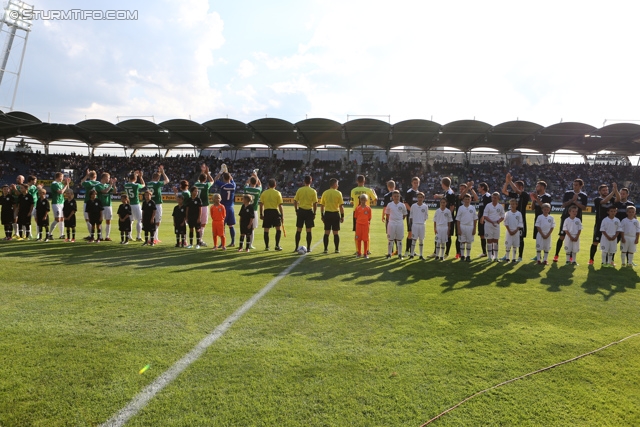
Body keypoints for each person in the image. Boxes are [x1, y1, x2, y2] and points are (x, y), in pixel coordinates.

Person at [553, 179, 587, 262]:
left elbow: (584, 208)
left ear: (581, 186)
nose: (574, 186)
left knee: (574, 236)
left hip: (577, 219)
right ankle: (556, 255)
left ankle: (571, 257)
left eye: (576, 185)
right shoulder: (568, 193)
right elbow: (563, 205)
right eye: (574, 185)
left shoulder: (583, 195)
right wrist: (572, 200)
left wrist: (576, 202)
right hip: (565, 218)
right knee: (562, 236)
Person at [502, 174, 527, 262]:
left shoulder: (524, 194)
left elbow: (516, 190)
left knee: (520, 238)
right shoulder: (515, 195)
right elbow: (504, 191)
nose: (514, 188)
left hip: (520, 219)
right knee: (509, 238)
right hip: (512, 218)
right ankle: (507, 255)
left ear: (520, 187)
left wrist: (510, 181)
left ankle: (519, 256)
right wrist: (506, 183)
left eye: (515, 186)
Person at [589, 183, 617, 265]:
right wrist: (613, 192)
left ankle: (610, 261)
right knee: (595, 242)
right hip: (599, 224)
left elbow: (618, 199)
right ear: (599, 191)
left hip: (610, 225)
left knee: (610, 243)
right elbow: (604, 201)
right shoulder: (597, 199)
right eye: (603, 190)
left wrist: (615, 191)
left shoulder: (611, 199)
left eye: (606, 190)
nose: (605, 191)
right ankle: (591, 259)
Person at [351, 174, 378, 253]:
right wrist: (374, 193)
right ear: (364, 181)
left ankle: (357, 250)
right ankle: (367, 250)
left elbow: (352, 202)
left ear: (357, 181)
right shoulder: (368, 190)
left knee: (357, 232)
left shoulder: (353, 190)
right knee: (367, 232)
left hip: (356, 212)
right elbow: (375, 199)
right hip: (366, 212)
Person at [433, 177, 457, 258]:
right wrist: (438, 196)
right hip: (444, 218)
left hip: (447, 219)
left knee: (448, 235)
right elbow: (444, 196)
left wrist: (448, 216)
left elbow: (452, 206)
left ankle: (446, 253)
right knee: (439, 235)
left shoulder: (450, 193)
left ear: (443, 184)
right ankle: (436, 252)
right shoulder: (447, 192)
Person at [319, 178, 344, 254]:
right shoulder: (338, 193)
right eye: (337, 184)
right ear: (334, 184)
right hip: (335, 214)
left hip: (327, 214)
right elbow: (341, 206)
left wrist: (322, 215)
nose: (338, 185)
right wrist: (342, 216)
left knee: (326, 232)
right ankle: (336, 249)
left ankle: (325, 249)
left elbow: (322, 206)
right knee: (335, 233)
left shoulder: (325, 193)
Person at [294, 175, 318, 252]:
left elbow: (295, 201)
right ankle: (308, 248)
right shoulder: (313, 191)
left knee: (298, 230)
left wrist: (296, 210)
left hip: (301, 211)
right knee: (309, 230)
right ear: (311, 181)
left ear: (304, 181)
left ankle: (296, 247)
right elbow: (315, 203)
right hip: (309, 211)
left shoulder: (299, 190)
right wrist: (314, 213)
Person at [146, 165, 170, 243]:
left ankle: (153, 237)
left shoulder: (149, 183)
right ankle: (154, 238)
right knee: (157, 221)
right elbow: (167, 180)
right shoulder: (157, 184)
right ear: (157, 178)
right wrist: (163, 173)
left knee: (151, 220)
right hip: (157, 204)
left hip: (150, 204)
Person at [214, 165, 237, 247]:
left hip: (223, 208)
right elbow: (232, 180)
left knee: (222, 226)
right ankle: (233, 242)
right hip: (231, 207)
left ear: (224, 179)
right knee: (231, 226)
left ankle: (222, 243)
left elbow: (215, 179)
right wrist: (228, 174)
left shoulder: (222, 186)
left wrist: (220, 172)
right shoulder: (233, 186)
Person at [530, 180, 552, 261]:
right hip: (537, 219)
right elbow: (532, 208)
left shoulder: (547, 196)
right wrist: (533, 200)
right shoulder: (537, 196)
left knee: (544, 237)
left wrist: (537, 199)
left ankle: (544, 256)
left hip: (545, 220)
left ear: (542, 187)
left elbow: (544, 207)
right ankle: (538, 256)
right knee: (538, 237)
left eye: (538, 186)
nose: (536, 187)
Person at [259, 179, 284, 251]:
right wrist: (282, 216)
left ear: (268, 185)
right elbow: (280, 206)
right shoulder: (278, 193)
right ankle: (277, 245)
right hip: (275, 212)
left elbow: (261, 205)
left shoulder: (264, 193)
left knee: (266, 229)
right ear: (275, 185)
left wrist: (261, 214)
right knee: (278, 229)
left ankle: (267, 247)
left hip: (267, 212)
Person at [194, 164, 214, 247]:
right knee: (203, 224)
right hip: (204, 206)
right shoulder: (206, 185)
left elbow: (198, 180)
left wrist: (202, 172)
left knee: (197, 223)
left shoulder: (196, 184)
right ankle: (200, 240)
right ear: (205, 179)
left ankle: (196, 239)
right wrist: (208, 173)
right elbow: (212, 181)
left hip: (196, 206)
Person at [382, 180, 403, 255]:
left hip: (390, 218)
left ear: (388, 187)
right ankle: (398, 250)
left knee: (390, 234)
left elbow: (385, 208)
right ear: (394, 186)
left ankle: (390, 251)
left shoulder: (386, 196)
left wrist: (383, 216)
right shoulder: (399, 195)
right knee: (397, 234)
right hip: (398, 218)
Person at [385, 190, 407, 259]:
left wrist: (399, 220)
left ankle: (400, 254)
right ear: (392, 197)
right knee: (390, 239)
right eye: (395, 196)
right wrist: (392, 220)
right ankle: (389, 254)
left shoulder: (402, 205)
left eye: (397, 196)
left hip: (399, 223)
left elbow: (404, 215)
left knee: (399, 239)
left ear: (399, 196)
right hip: (391, 223)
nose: (396, 197)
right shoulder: (389, 204)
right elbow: (387, 214)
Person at [483, 192, 505, 262]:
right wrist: (491, 221)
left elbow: (503, 216)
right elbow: (485, 216)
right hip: (488, 225)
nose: (493, 199)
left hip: (496, 226)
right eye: (492, 197)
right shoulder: (488, 206)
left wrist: (499, 221)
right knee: (489, 240)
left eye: (495, 198)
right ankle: (489, 257)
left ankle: (496, 257)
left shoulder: (500, 206)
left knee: (496, 241)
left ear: (498, 198)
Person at [124, 171, 145, 241]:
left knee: (130, 221)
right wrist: (140, 177)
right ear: (135, 179)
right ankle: (138, 236)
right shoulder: (136, 185)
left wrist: (133, 175)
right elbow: (143, 185)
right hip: (136, 204)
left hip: (129, 204)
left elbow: (129, 181)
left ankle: (129, 236)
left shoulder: (126, 185)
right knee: (139, 220)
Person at [96, 173, 117, 241]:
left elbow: (115, 192)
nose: (109, 179)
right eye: (108, 177)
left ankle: (107, 236)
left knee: (108, 220)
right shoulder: (98, 185)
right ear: (104, 177)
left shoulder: (108, 185)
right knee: (100, 221)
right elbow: (105, 191)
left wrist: (113, 184)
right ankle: (100, 236)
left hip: (108, 205)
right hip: (101, 206)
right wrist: (110, 185)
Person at [456, 193, 478, 262]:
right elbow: (458, 219)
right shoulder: (461, 208)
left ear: (470, 200)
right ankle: (462, 256)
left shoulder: (473, 208)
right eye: (466, 199)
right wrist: (458, 229)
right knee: (462, 242)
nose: (467, 200)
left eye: (468, 199)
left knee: (469, 242)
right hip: (462, 226)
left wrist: (474, 229)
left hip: (470, 227)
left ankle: (468, 256)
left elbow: (475, 219)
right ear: (463, 200)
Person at [243, 172, 262, 249]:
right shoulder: (258, 190)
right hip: (253, 210)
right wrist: (256, 176)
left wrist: (251, 177)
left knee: (244, 227)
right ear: (256, 183)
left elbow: (246, 183)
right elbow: (260, 184)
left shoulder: (246, 189)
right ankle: (250, 244)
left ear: (250, 182)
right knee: (252, 228)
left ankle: (242, 243)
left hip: (246, 210)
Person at [80, 170, 100, 239]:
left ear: (90, 176)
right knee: (96, 220)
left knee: (88, 219)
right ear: (95, 176)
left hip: (87, 202)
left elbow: (82, 182)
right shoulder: (98, 183)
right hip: (96, 203)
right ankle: (98, 235)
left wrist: (86, 175)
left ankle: (91, 235)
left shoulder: (88, 183)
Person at [403, 177, 421, 256]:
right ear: (411, 183)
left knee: (415, 234)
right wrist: (412, 211)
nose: (416, 184)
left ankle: (412, 251)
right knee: (410, 233)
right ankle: (407, 251)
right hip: (411, 216)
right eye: (414, 182)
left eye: (417, 183)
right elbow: (406, 203)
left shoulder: (419, 193)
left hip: (418, 217)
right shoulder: (409, 192)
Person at [409, 192, 429, 260]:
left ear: (423, 198)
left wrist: (422, 221)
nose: (420, 199)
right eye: (419, 197)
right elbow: (411, 217)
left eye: (421, 197)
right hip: (415, 225)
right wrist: (412, 225)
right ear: (417, 198)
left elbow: (426, 216)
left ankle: (421, 255)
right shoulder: (413, 206)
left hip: (422, 225)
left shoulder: (425, 206)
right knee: (414, 240)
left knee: (421, 240)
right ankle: (411, 254)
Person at [49, 173, 69, 240]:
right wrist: (65, 185)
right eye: (62, 177)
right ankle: (49, 234)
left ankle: (62, 234)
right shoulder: (54, 184)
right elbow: (60, 192)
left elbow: (67, 191)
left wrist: (67, 184)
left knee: (62, 219)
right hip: (56, 203)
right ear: (59, 177)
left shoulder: (60, 184)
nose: (63, 178)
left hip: (61, 202)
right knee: (57, 219)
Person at [354, 194, 372, 259]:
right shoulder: (357, 208)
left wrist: (365, 223)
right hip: (358, 225)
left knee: (365, 239)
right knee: (358, 239)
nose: (363, 201)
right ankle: (359, 253)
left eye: (364, 200)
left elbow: (369, 218)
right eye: (362, 200)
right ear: (360, 200)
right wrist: (359, 222)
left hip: (365, 226)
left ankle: (365, 253)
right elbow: (356, 217)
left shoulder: (368, 208)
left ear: (366, 200)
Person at [476, 182, 492, 257]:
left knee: (488, 235)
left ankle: (491, 253)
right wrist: (478, 214)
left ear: (483, 188)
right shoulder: (482, 197)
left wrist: (484, 217)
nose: (478, 188)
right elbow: (481, 208)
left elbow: (489, 208)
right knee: (482, 234)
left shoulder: (488, 196)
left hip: (486, 219)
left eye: (479, 187)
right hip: (481, 218)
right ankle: (484, 252)